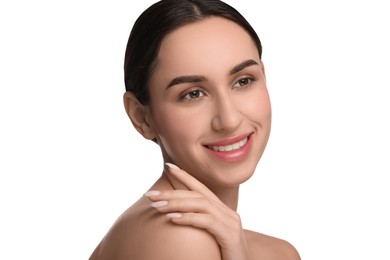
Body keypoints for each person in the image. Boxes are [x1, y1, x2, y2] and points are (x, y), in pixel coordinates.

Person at [90, 0, 300, 259]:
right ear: (141, 116)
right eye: (193, 94)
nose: (229, 119)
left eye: (243, 80)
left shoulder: (276, 252)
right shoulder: (180, 238)